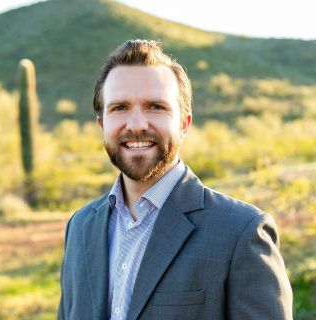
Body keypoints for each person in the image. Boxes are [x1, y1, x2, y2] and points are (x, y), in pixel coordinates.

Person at [58, 39, 293, 320]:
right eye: (119, 107)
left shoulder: (241, 232)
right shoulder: (80, 227)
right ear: (102, 124)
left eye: (155, 107)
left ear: (184, 123)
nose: (135, 125)